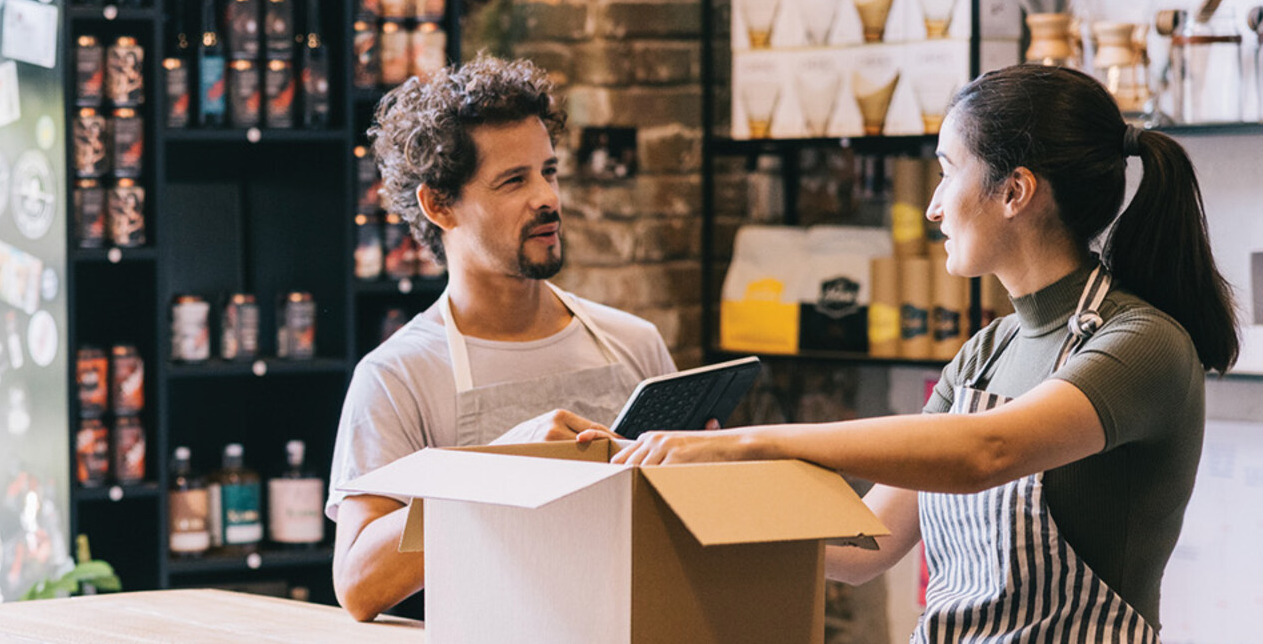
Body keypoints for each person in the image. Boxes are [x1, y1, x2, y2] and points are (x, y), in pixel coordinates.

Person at [593, 65, 1240, 641]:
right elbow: (863, 542)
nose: (932, 206)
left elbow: (986, 452)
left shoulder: (1142, 343)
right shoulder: (986, 352)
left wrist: (748, 443)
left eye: (946, 170)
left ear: (1015, 192)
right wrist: (693, 484)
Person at [327, 56, 678, 622]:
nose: (547, 198)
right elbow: (359, 583)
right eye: (514, 180)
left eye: (549, 171)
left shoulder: (633, 344)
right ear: (439, 204)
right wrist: (500, 465)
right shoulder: (398, 376)